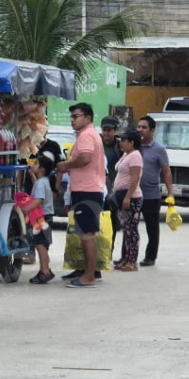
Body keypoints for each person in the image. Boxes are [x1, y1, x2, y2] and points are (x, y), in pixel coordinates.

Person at [55, 102, 105, 288]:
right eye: (72, 117)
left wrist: (65, 166)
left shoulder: (86, 135)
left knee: (87, 234)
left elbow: (85, 158)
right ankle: (88, 271)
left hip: (87, 190)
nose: (72, 120)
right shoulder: (89, 134)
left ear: (88, 118)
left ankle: (89, 276)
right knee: (85, 232)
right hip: (87, 189)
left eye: (76, 116)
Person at [135, 115, 175, 267]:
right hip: (132, 194)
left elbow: (166, 171)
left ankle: (150, 257)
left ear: (152, 131)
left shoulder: (159, 149)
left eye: (144, 127)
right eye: (139, 127)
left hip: (151, 195)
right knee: (130, 227)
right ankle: (128, 256)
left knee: (152, 228)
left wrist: (170, 193)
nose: (140, 130)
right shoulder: (132, 146)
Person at [113, 131, 144, 272]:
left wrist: (128, 197)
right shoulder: (126, 154)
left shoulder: (135, 156)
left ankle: (132, 261)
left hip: (131, 197)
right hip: (122, 196)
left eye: (124, 140)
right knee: (126, 229)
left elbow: (135, 178)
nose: (121, 143)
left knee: (131, 230)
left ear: (132, 142)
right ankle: (126, 259)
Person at [26, 153, 57, 284]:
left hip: (41, 217)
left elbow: (39, 200)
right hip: (47, 216)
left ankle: (44, 271)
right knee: (43, 244)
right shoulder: (44, 181)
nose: (33, 165)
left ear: (42, 169)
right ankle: (46, 269)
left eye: (36, 163)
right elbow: (37, 187)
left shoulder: (40, 183)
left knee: (40, 245)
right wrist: (32, 175)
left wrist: (25, 210)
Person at [100, 116, 122, 253]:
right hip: (97, 188)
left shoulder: (120, 147)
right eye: (104, 130)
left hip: (114, 189)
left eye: (109, 130)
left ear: (115, 130)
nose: (106, 133)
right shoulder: (96, 144)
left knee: (112, 221)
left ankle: (108, 251)